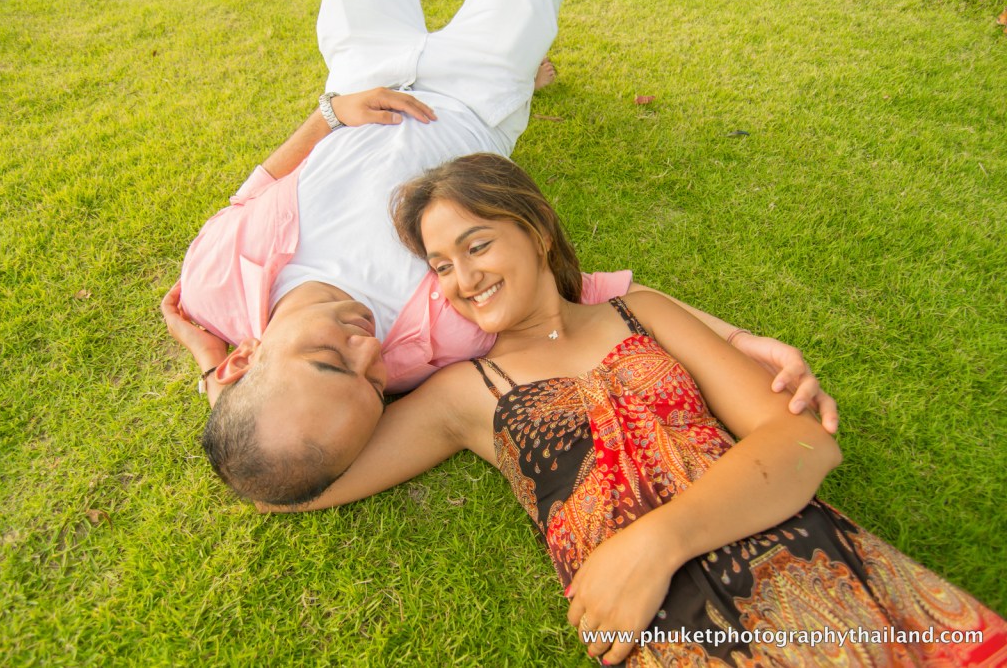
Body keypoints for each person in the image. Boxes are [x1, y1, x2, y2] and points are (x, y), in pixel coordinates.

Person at [261, 153, 1007, 666]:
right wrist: (273, 372)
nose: (461, 279)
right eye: (441, 267)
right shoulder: (465, 394)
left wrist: (657, 543)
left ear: (538, 229)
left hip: (814, 569)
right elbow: (291, 481)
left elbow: (804, 444)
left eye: (476, 244)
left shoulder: (640, 313)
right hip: (674, 635)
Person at [162, 0, 837, 509]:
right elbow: (593, 300)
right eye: (374, 384)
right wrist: (739, 340)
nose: (367, 348)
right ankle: (528, 75)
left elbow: (256, 191)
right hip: (477, 96)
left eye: (330, 360)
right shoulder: (442, 342)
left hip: (360, 80)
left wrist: (330, 114)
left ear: (243, 359)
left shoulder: (210, 286)